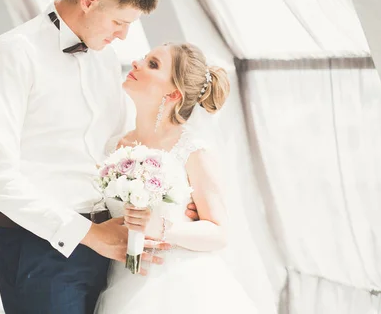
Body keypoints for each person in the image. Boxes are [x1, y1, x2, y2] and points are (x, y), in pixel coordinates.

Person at [0, 0, 198, 314]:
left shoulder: (106, 60)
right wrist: (89, 235)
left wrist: (168, 193)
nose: (124, 36)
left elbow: (112, 149)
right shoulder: (11, 55)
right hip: (39, 248)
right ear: (89, 1)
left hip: (108, 246)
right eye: (119, 22)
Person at [94, 42, 258, 313]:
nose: (137, 63)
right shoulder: (115, 146)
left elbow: (219, 232)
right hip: (123, 281)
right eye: (145, 58)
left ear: (173, 93)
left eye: (153, 64)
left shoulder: (192, 150)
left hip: (180, 288)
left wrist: (163, 228)